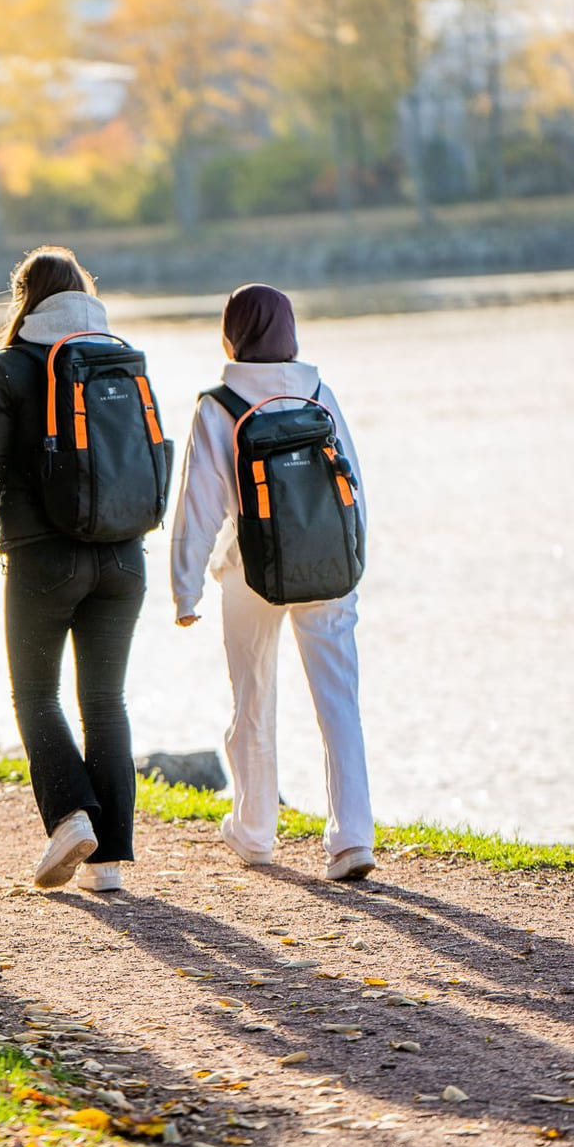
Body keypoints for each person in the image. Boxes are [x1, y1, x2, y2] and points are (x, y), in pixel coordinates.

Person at [0, 246, 144, 893]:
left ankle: (68, 816)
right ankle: (107, 861)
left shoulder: (6, 371)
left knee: (35, 694)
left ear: (24, 298)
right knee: (105, 702)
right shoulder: (119, 357)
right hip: (123, 555)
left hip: (42, 558)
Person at [170, 283, 376, 882]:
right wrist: (353, 560)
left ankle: (256, 831)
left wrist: (187, 591)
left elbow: (198, 506)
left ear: (233, 334)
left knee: (253, 698)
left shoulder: (220, 405)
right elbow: (353, 487)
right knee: (339, 702)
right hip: (330, 568)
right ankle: (351, 839)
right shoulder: (319, 392)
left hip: (249, 572)